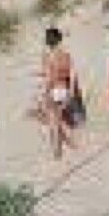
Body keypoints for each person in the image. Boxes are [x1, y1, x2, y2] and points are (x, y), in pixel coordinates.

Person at [38, 28, 79, 159]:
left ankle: (57, 151)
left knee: (53, 122)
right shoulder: (66, 55)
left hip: (53, 89)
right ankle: (70, 142)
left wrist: (44, 93)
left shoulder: (46, 56)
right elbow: (72, 74)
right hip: (64, 88)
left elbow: (48, 78)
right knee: (62, 118)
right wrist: (71, 91)